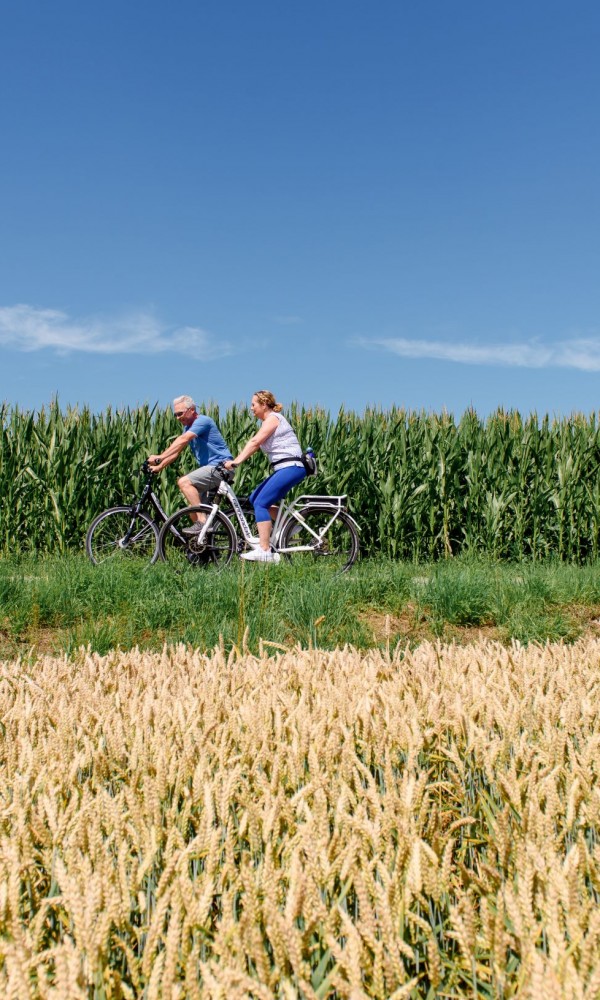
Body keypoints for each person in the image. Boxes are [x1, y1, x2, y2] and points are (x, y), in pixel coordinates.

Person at [224, 390, 306, 562]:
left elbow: (255, 442)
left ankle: (265, 550)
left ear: (264, 404)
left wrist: (236, 461)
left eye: (253, 404)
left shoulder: (273, 419)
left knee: (261, 503)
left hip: (291, 466)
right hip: (286, 468)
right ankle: (290, 525)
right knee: (255, 499)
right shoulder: (269, 420)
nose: (251, 408)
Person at [148, 396, 232, 534]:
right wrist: (159, 467)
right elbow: (176, 453)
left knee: (184, 482)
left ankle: (203, 523)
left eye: (180, 413)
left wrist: (160, 456)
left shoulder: (202, 421)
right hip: (211, 470)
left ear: (192, 410)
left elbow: (183, 440)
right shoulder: (188, 427)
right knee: (193, 509)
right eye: (175, 415)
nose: (177, 418)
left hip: (220, 467)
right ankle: (205, 543)